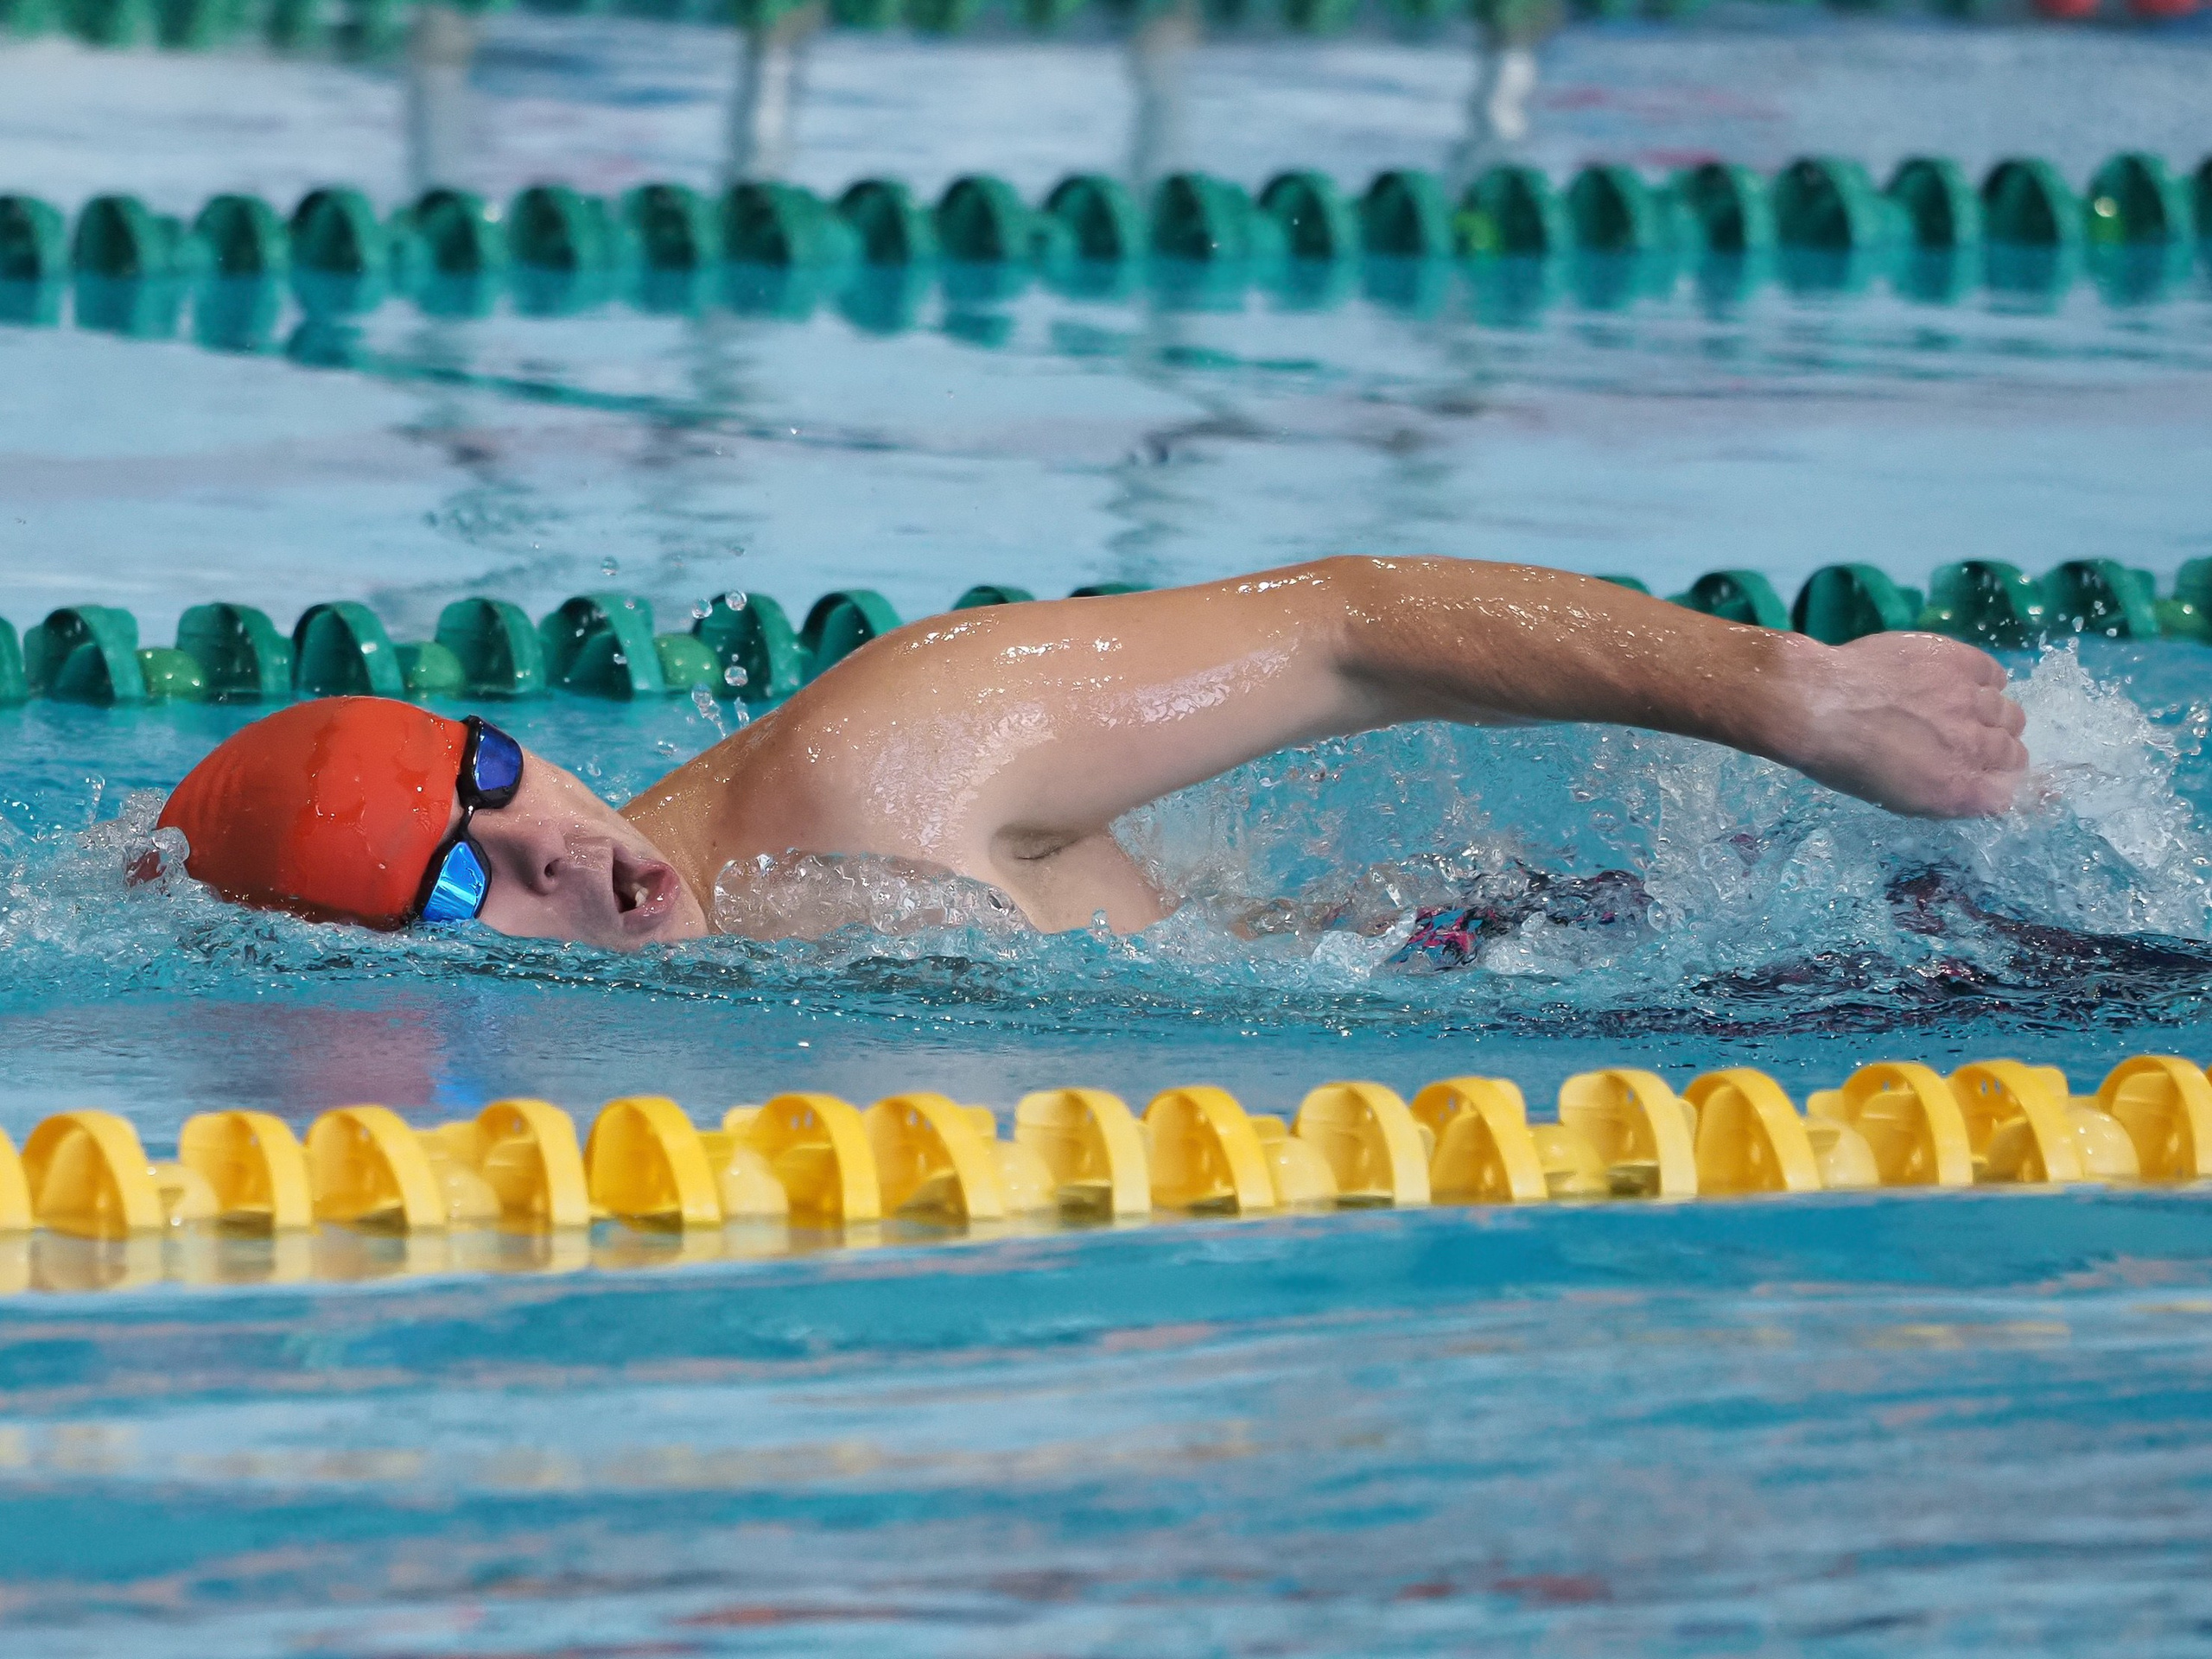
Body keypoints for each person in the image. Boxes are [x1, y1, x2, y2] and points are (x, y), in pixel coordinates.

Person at [156, 557, 2030, 950]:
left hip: (1623, 949)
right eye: (461, 877)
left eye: (497, 771)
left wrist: (1788, 697)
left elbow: (1339, 621)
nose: (551, 840)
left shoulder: (882, 769)